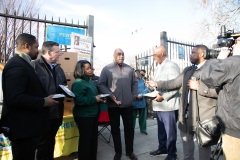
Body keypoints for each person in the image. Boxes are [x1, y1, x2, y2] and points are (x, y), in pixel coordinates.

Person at [146, 45, 218, 160]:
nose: (190, 54)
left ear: (202, 54)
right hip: (186, 113)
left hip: (204, 116)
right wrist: (157, 83)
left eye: (194, 52)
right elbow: (174, 83)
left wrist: (199, 87)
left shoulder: (213, 69)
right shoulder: (188, 70)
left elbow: (218, 91)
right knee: (186, 141)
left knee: (203, 146)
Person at [1, 33, 58, 160]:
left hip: (27, 127)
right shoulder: (17, 64)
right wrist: (44, 101)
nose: (38, 51)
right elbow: (15, 97)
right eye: (36, 47)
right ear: (27, 46)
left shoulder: (24, 63)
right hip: (23, 128)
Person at [201, 36, 240, 160]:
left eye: (237, 42)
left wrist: (220, 59)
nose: (233, 46)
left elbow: (208, 77)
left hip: (235, 129)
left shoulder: (235, 62)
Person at [98, 48, 138, 160]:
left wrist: (132, 96)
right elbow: (101, 84)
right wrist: (110, 95)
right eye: (119, 54)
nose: (121, 56)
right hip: (113, 105)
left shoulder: (129, 69)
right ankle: (118, 152)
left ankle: (130, 152)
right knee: (115, 129)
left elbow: (135, 84)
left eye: (123, 54)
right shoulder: (107, 69)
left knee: (129, 128)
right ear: (114, 55)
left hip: (128, 105)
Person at [31, 41, 67, 160]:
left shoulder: (58, 68)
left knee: (51, 143)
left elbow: (63, 85)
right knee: (41, 146)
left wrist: (66, 92)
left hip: (56, 113)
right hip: (41, 113)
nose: (59, 54)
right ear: (49, 52)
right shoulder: (34, 66)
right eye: (57, 52)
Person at [148, 46, 180, 160]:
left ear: (162, 54)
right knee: (161, 130)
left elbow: (177, 85)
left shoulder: (171, 65)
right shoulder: (158, 67)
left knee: (170, 132)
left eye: (155, 55)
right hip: (159, 105)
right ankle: (162, 148)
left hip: (168, 105)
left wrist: (164, 96)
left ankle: (172, 154)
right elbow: (159, 84)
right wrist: (151, 86)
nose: (154, 58)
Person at [71, 60, 103, 160]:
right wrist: (95, 99)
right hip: (84, 117)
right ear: (81, 70)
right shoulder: (78, 83)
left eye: (91, 67)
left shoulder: (88, 81)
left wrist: (99, 98)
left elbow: (90, 95)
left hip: (92, 114)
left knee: (93, 140)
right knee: (86, 141)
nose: (91, 69)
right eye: (88, 68)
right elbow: (79, 100)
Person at [132, 69, 149, 135]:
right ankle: (131, 129)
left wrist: (142, 94)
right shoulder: (131, 82)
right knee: (132, 118)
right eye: (136, 73)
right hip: (134, 102)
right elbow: (129, 91)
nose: (137, 75)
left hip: (142, 102)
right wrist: (136, 96)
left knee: (143, 118)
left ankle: (143, 129)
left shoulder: (143, 81)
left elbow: (147, 89)